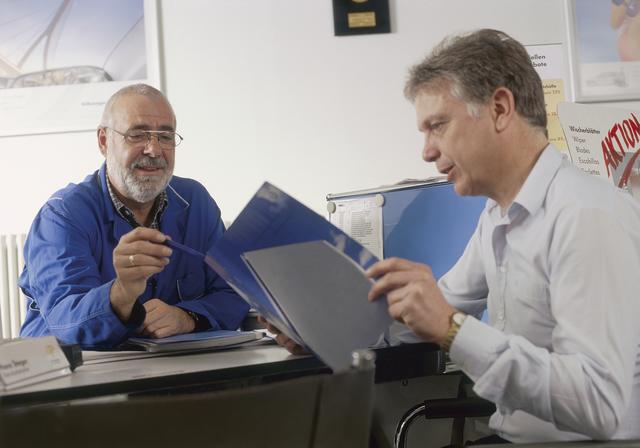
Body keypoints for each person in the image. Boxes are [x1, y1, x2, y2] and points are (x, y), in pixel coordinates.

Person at [269, 29, 640, 443]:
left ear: (500, 108)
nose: (426, 151)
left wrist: (453, 328)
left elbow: (599, 405)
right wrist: (318, 330)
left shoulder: (585, 214)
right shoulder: (498, 216)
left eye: (438, 126)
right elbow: (433, 309)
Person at [19, 83, 249, 348]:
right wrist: (122, 292)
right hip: (78, 376)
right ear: (104, 141)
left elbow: (235, 291)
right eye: (138, 135)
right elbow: (65, 323)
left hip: (172, 371)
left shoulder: (196, 202)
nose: (154, 150)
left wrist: (188, 317)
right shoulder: (62, 216)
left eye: (165, 136)